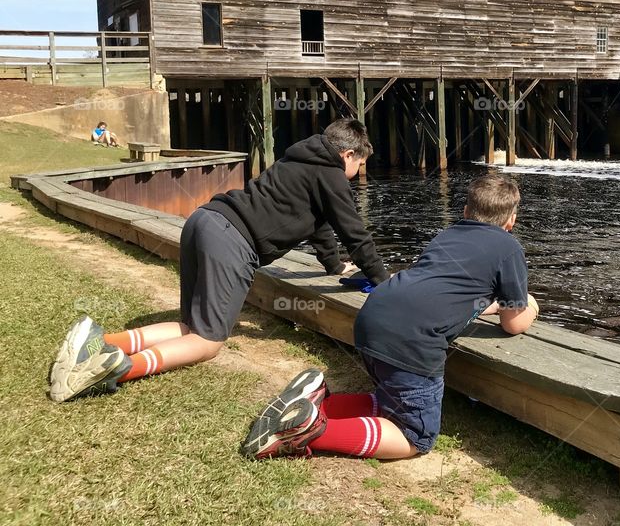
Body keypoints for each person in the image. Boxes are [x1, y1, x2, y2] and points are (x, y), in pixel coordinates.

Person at [48, 118, 389, 403]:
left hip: (204, 221)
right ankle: (115, 369)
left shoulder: (298, 160)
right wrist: (385, 283)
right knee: (207, 343)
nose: (358, 173)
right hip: (231, 241)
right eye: (359, 165)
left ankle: (98, 343)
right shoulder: (330, 174)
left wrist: (333, 267)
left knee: (192, 329)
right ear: (347, 154)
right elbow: (355, 234)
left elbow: (319, 227)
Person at [240, 173, 539, 461]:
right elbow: (513, 323)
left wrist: (495, 305)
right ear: (511, 220)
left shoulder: (447, 235)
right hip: (411, 341)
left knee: (390, 405)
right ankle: (307, 432)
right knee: (415, 436)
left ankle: (314, 405)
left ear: (465, 211)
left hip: (373, 317)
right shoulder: (508, 248)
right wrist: (530, 306)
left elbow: (449, 293)